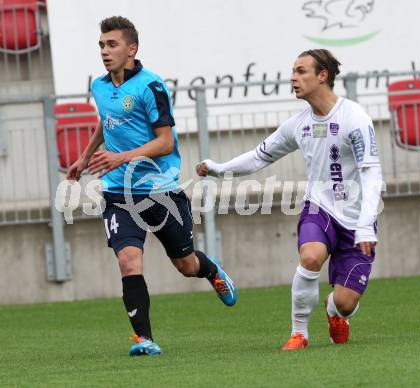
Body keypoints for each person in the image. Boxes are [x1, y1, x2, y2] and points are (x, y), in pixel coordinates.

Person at [67, 16, 237, 357]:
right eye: (101, 45)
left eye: (112, 44)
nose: (104, 51)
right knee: (129, 261)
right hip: (118, 193)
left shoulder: (151, 86)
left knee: (186, 265)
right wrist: (85, 157)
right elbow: (107, 120)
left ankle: (212, 270)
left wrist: (122, 157)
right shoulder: (100, 86)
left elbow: (164, 142)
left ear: (132, 49)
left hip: (161, 191)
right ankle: (144, 339)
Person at [197, 49, 382, 350]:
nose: (293, 78)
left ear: (323, 76)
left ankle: (335, 311)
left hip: (357, 217)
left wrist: (364, 226)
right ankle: (299, 333)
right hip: (319, 208)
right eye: (293, 71)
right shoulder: (299, 124)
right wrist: (219, 169)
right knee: (310, 257)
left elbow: (371, 173)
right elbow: (259, 157)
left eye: (301, 71)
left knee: (346, 303)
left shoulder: (355, 118)